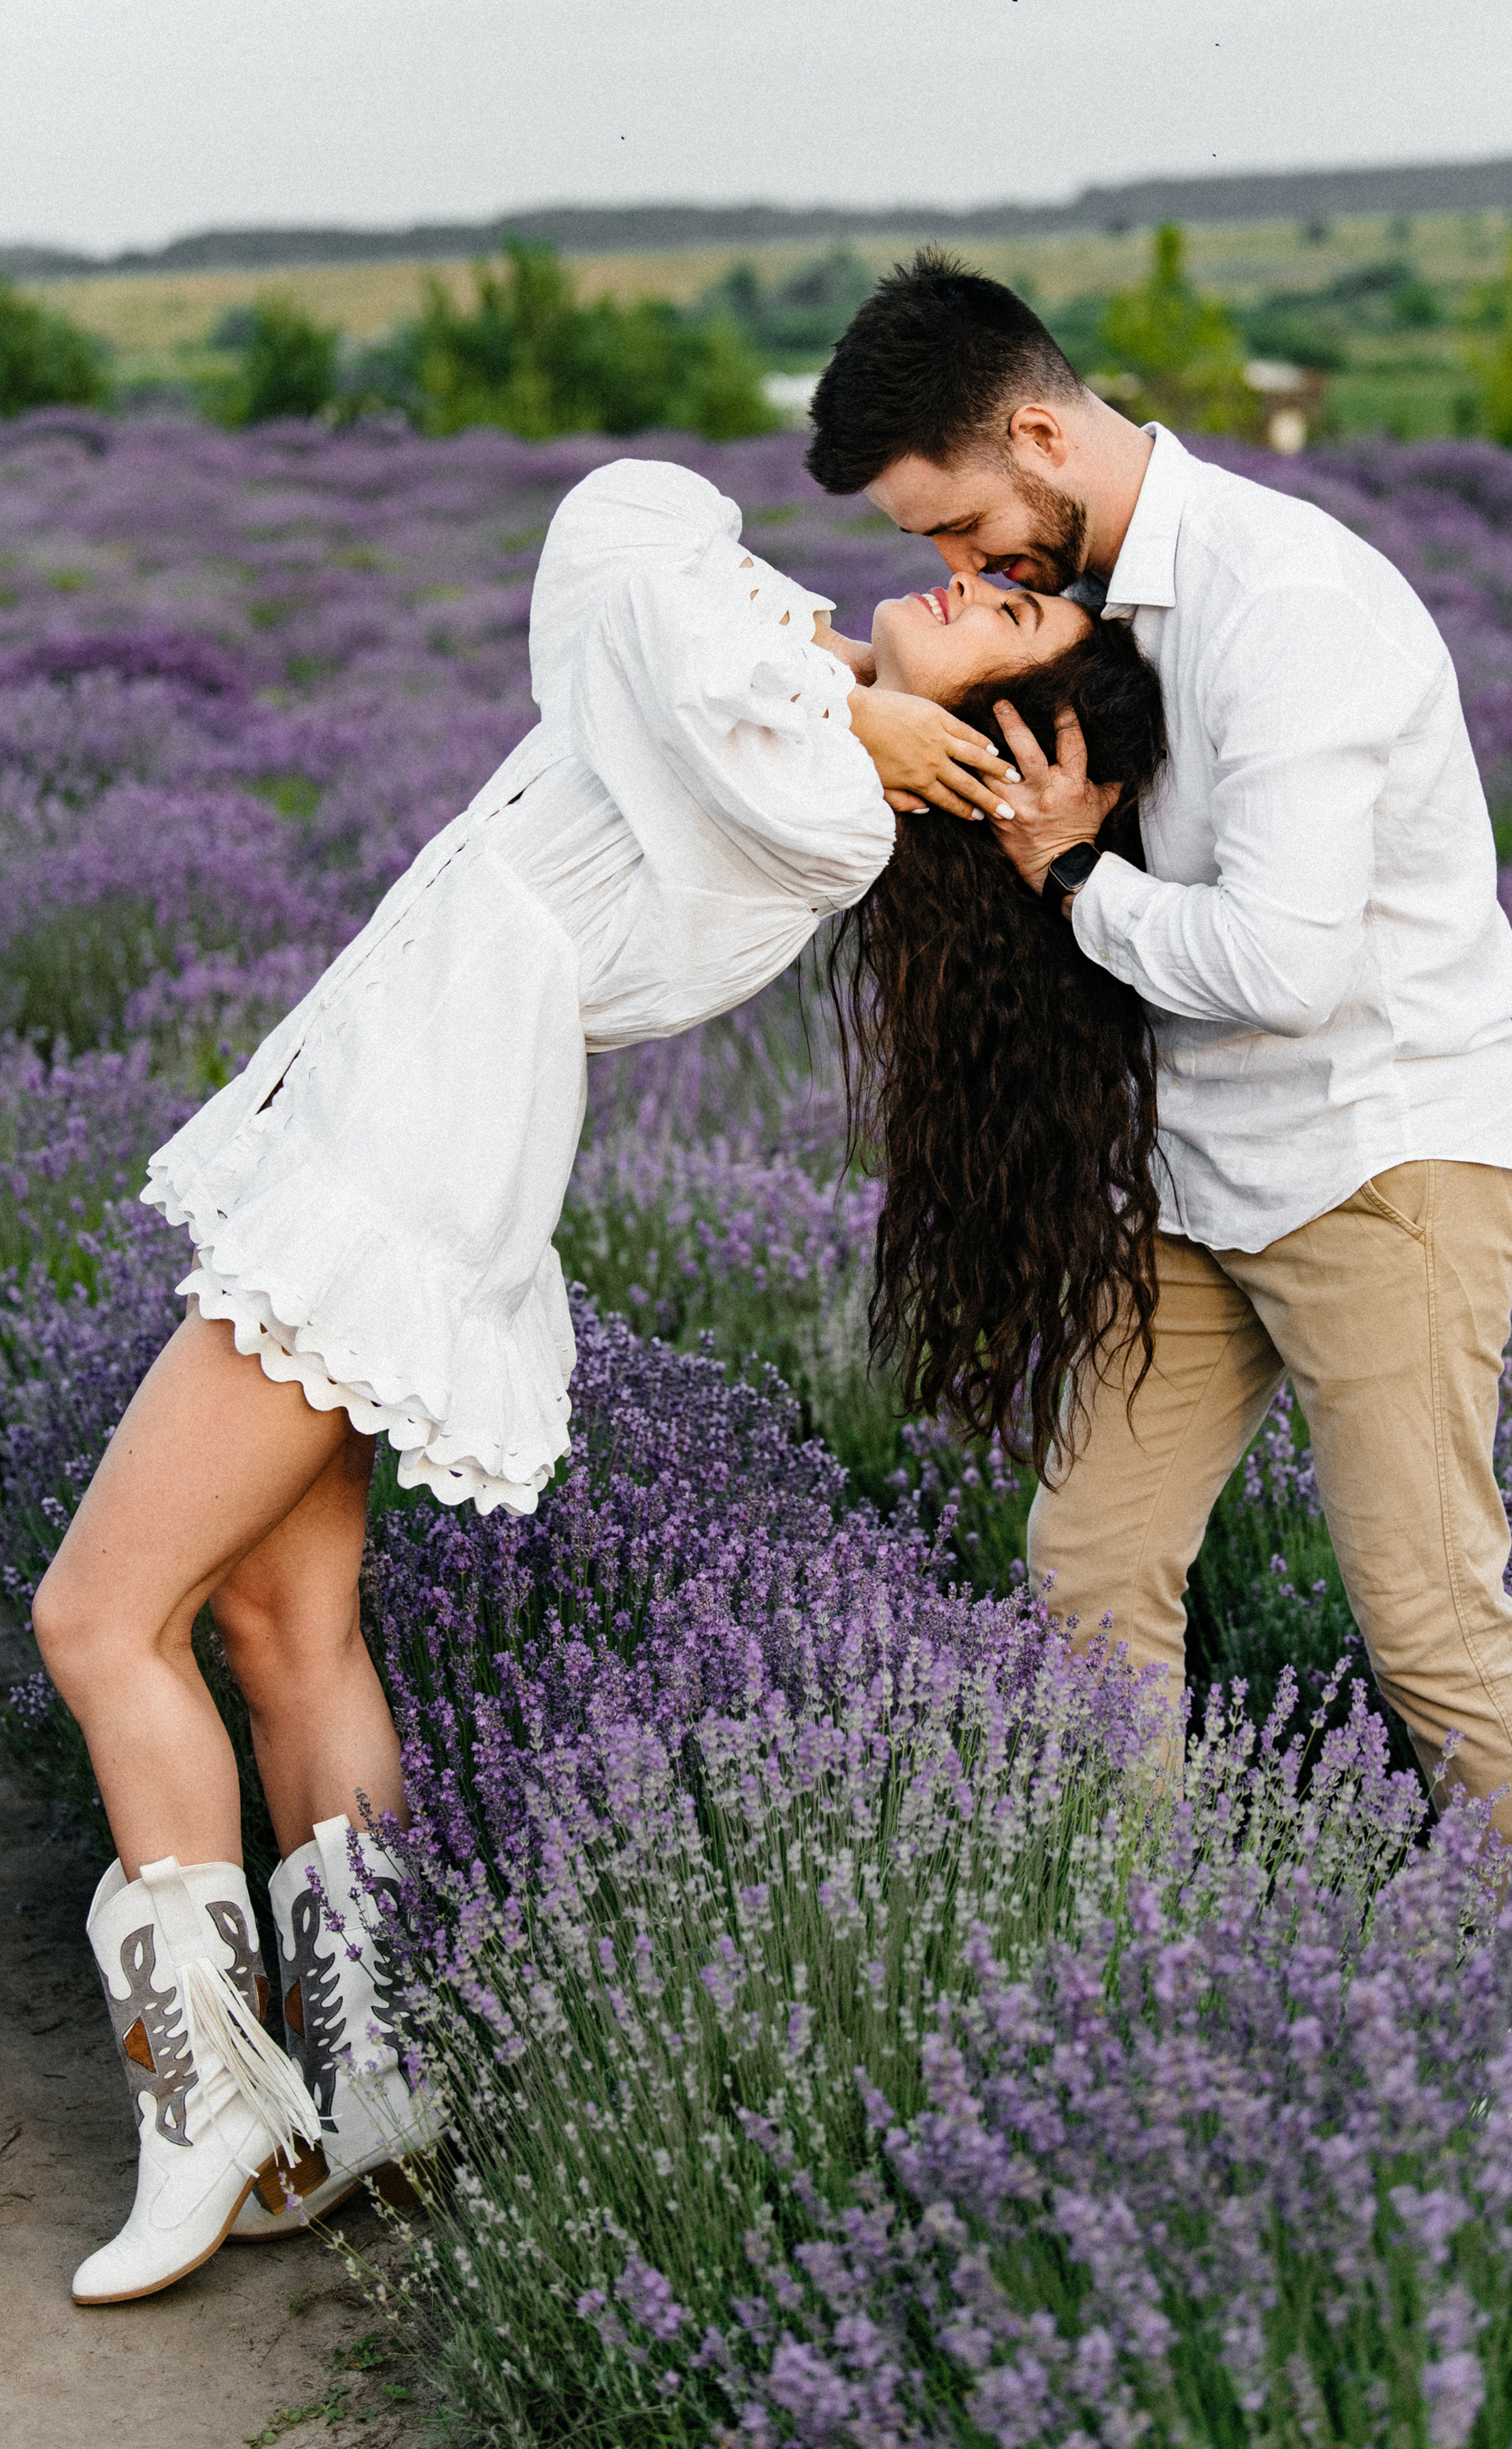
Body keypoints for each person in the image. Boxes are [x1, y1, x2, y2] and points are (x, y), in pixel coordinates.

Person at [31, 455, 1146, 2306]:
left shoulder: (815, 793)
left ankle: (206, 2101)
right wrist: (849, 669)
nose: (961, 582)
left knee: (98, 1618)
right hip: (399, 1155)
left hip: (391, 1177)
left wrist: (840, 695)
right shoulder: (799, 726)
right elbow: (633, 551)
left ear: (984, 734)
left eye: (1008, 610)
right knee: (283, 1628)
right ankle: (376, 2084)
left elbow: (618, 569)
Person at [807, 251, 1512, 1860]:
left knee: (1430, 1620)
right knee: (1091, 1564)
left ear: (1034, 435)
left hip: (1382, 1160)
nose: (959, 563)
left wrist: (1075, 875)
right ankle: (1142, 1947)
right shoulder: (1105, 601)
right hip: (1198, 1174)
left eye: (958, 523)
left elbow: (1287, 966)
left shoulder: (1279, 599)